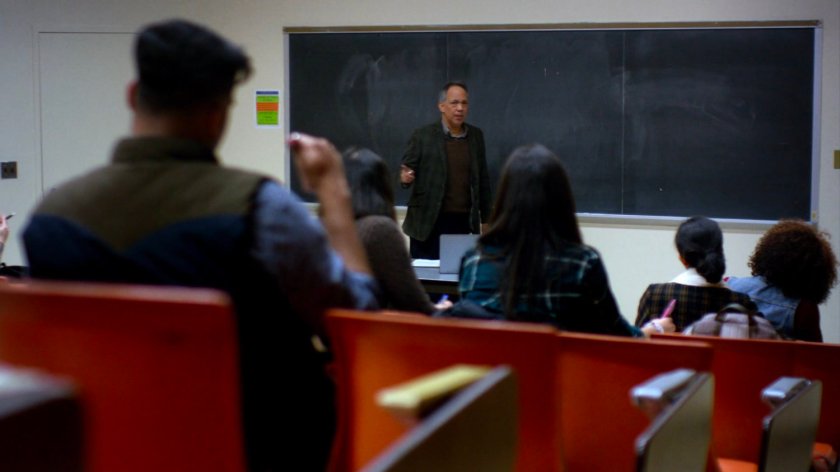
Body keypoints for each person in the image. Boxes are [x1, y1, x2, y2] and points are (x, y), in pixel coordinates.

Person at [22, 19, 377, 471]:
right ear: (218, 113)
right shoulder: (261, 210)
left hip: (104, 454)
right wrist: (334, 193)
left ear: (132, 94)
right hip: (255, 453)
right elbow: (359, 324)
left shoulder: (50, 220)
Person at [439, 144, 673, 337]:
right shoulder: (582, 264)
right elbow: (615, 334)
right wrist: (653, 330)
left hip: (494, 378)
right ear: (562, 200)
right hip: (558, 378)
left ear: (504, 199)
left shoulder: (474, 260)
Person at [343, 147, 451, 313]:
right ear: (382, 185)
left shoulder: (329, 228)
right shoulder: (380, 230)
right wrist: (439, 309)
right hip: (374, 324)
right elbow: (410, 299)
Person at [400, 81, 492, 259]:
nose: (460, 108)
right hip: (427, 223)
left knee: (458, 272)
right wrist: (404, 177)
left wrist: (486, 220)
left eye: (464, 103)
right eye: (454, 103)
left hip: (463, 223)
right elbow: (406, 169)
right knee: (426, 273)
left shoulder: (476, 136)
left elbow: (483, 180)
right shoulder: (422, 136)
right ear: (441, 106)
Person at [635, 216, 756, 332]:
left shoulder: (655, 295)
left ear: (682, 258)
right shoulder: (741, 303)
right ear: (720, 252)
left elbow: (636, 341)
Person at [726, 220, 838, 342]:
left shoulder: (728, 284)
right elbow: (815, 352)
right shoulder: (803, 309)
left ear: (767, 253)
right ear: (814, 272)